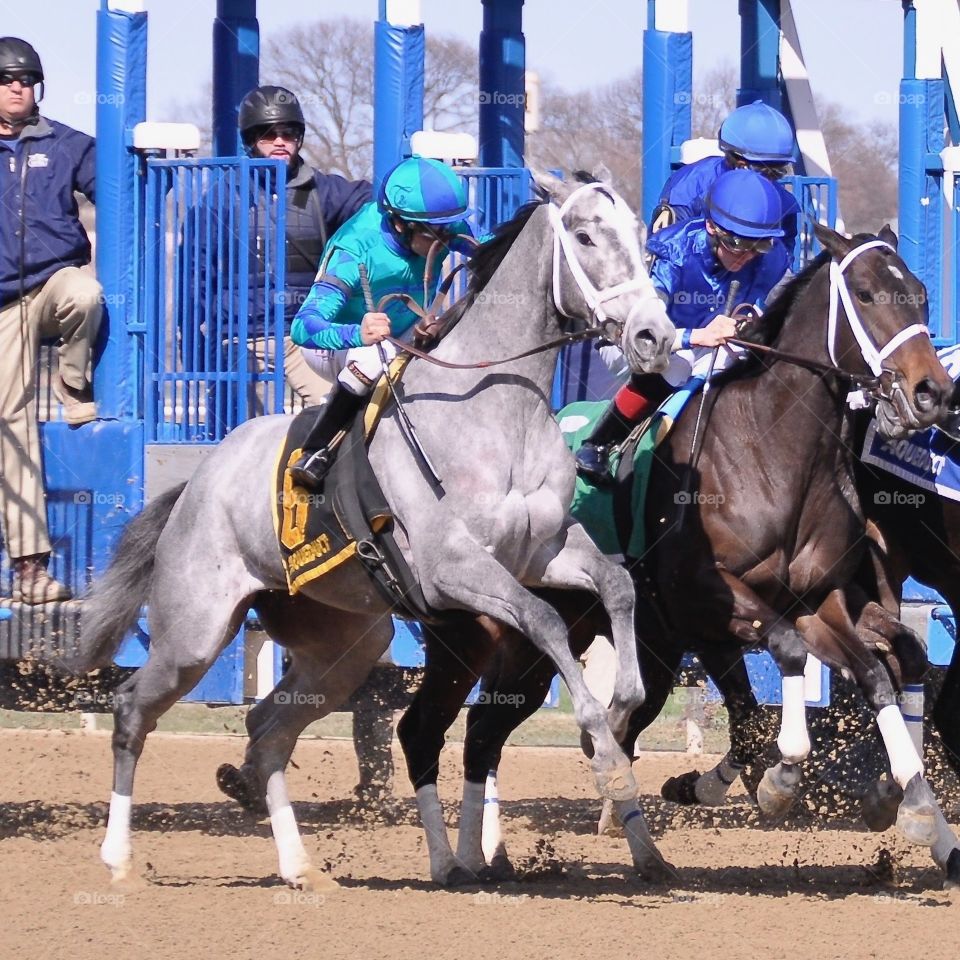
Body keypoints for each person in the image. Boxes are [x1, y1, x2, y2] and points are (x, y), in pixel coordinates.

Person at [576, 168, 790, 481]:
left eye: (757, 245)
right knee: (677, 364)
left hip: (706, 342)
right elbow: (643, 336)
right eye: (736, 242)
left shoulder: (771, 259)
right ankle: (598, 444)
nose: (746, 256)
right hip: (632, 341)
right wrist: (698, 336)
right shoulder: (673, 252)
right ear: (710, 227)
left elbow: (762, 307)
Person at [287, 155, 476, 489]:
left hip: (400, 330)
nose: (447, 238)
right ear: (401, 224)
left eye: (450, 227)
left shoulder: (438, 224)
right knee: (374, 356)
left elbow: (490, 248)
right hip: (338, 343)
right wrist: (356, 332)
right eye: (437, 233)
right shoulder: (355, 249)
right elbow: (303, 327)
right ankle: (317, 450)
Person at [0, 37, 101, 604]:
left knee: (86, 293)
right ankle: (31, 566)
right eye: (9, 79)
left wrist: (150, 158)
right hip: (2, 308)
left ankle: (71, 379)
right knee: (9, 422)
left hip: (52, 284)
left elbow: (118, 180)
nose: (19, 88)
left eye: (28, 80)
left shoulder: (62, 143)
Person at [235, 85, 371, 409]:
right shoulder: (224, 196)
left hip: (301, 335)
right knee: (239, 425)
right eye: (268, 134)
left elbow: (375, 203)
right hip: (242, 336)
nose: (280, 141)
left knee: (331, 412)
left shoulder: (325, 191)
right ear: (252, 140)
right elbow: (199, 272)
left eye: (289, 132)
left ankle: (313, 461)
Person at [654, 100, 800, 255]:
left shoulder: (784, 205)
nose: (768, 182)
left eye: (777, 172)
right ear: (738, 162)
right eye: (763, 172)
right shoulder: (687, 190)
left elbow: (782, 261)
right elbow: (666, 259)